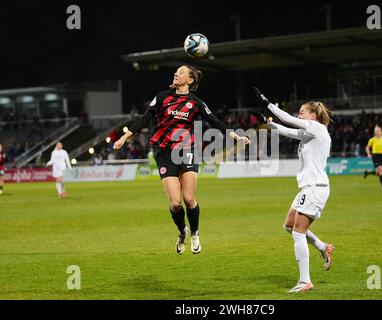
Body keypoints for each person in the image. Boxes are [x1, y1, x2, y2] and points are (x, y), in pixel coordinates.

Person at [113, 65, 250, 255]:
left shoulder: (195, 102)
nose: (176, 73)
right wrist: (124, 137)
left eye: (181, 72)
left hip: (187, 150)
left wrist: (236, 136)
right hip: (164, 151)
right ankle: (182, 231)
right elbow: (144, 119)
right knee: (176, 203)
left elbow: (214, 121)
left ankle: (194, 232)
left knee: (189, 198)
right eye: (176, 71)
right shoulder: (162, 97)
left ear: (190, 80)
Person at [253, 87, 334, 293]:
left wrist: (267, 102)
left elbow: (289, 120)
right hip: (308, 188)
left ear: (313, 115)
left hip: (316, 188)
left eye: (303, 111)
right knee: (289, 226)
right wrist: (268, 122)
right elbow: (287, 130)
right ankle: (323, 247)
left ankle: (305, 281)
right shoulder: (308, 134)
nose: (300, 114)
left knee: (298, 233)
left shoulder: (317, 128)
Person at [364, 126, 382, 191]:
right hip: (375, 156)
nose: (377, 132)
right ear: (375, 132)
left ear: (381, 132)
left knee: (379, 173)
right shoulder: (372, 140)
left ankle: (367, 173)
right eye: (376, 131)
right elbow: (367, 147)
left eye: (378, 131)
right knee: (380, 170)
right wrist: (368, 154)